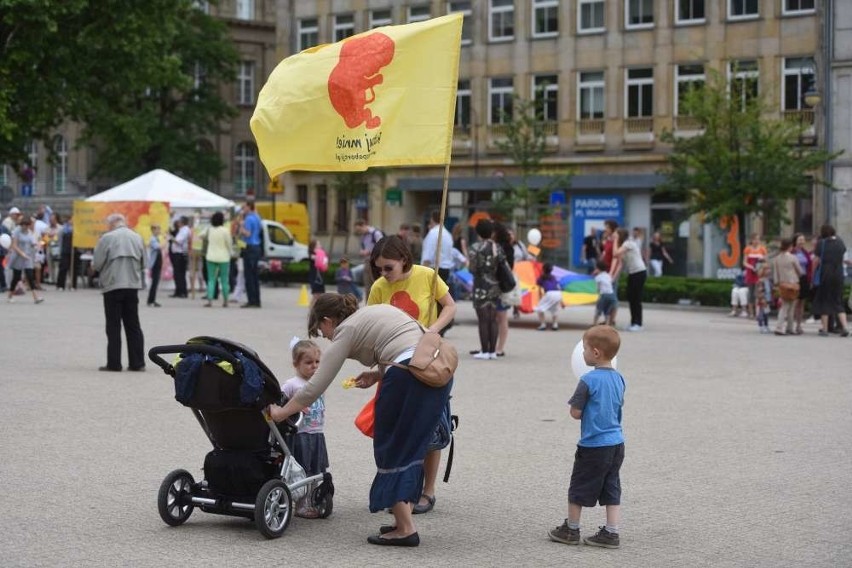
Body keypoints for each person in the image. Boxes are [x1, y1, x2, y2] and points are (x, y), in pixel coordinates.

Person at [269, 295, 452, 548]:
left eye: (322, 330)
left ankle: (406, 529)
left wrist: (280, 413)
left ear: (328, 320)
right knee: (411, 447)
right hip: (435, 370)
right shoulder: (376, 312)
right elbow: (410, 346)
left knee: (392, 447)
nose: (325, 336)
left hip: (406, 378)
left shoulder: (347, 329)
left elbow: (313, 388)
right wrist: (377, 375)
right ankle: (403, 522)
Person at [367, 234, 456, 516]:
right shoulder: (379, 287)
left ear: (404, 260)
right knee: (398, 428)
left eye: (388, 267)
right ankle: (400, 490)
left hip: (428, 359)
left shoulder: (427, 275)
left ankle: (428, 491)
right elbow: (373, 327)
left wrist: (432, 330)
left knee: (430, 427)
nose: (383, 274)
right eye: (379, 268)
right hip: (395, 365)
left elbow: (451, 306)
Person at [549, 325, 625, 549]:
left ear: (595, 353)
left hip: (593, 444)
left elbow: (576, 413)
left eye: (584, 349)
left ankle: (571, 529)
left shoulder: (588, 380)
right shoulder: (620, 379)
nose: (581, 354)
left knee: (579, 485)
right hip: (617, 443)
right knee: (612, 486)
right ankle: (611, 532)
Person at [281, 338, 329, 519]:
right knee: (302, 470)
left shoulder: (319, 382)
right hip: (300, 435)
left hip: (317, 433)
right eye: (308, 363)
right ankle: (300, 505)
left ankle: (311, 499)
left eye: (317, 362)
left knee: (315, 470)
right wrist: (295, 407)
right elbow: (281, 402)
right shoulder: (292, 384)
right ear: (296, 364)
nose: (314, 366)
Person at [92, 213, 146, 372]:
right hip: (132, 285)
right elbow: (145, 263)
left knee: (113, 325)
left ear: (111, 224)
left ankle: (114, 363)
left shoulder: (107, 238)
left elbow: (97, 263)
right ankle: (137, 363)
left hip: (113, 285)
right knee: (133, 325)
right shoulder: (137, 237)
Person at [468, 219, 503, 360]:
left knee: (483, 319)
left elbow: (472, 268)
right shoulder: (497, 247)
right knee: (493, 319)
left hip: (480, 285)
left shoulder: (475, 247)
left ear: (478, 232)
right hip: (495, 285)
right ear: (491, 232)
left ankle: (484, 351)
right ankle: (493, 351)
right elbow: (502, 265)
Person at [421, 211, 456, 334]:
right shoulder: (447, 234)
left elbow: (427, 255)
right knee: (441, 299)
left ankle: (435, 325)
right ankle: (442, 326)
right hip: (445, 268)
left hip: (435, 269)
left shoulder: (434, 233)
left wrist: (421, 272)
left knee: (433, 300)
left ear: (432, 219)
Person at [811, 224, 849, 337]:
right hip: (838, 273)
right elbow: (843, 257)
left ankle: (825, 329)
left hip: (826, 274)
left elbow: (816, 261)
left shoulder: (821, 243)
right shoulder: (840, 242)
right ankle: (845, 328)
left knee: (824, 300)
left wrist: (813, 276)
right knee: (838, 301)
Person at [613, 228, 647, 332]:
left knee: (636, 298)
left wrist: (615, 241)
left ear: (620, 235)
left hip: (639, 272)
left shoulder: (628, 243)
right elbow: (621, 263)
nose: (614, 236)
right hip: (632, 273)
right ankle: (633, 322)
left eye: (616, 235)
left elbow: (615, 254)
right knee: (631, 297)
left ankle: (638, 323)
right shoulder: (624, 246)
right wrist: (613, 278)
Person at [6, 216, 45, 304]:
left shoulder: (29, 233)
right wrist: (22, 254)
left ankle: (36, 297)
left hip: (27, 257)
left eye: (27, 225)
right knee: (16, 277)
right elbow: (14, 245)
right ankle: (10, 295)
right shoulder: (17, 231)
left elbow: (32, 242)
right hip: (18, 257)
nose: (25, 227)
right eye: (24, 225)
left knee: (30, 276)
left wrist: (36, 245)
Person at [772, 238, 803, 336]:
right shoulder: (793, 257)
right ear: (790, 246)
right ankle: (781, 327)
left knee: (785, 305)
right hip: (793, 284)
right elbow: (800, 271)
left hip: (782, 284)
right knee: (790, 306)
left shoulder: (776, 258)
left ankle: (788, 327)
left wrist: (777, 283)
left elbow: (775, 274)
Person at [493, 222, 514, 356]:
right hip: (501, 285)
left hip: (500, 285)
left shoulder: (500, 248)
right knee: (500, 317)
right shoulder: (508, 247)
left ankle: (499, 348)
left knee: (500, 317)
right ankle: (498, 347)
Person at [204, 211, 233, 308]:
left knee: (211, 280)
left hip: (211, 256)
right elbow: (229, 243)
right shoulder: (225, 230)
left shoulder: (210, 229)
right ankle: (226, 301)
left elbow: (200, 235)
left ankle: (210, 300)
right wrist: (231, 253)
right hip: (224, 257)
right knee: (224, 280)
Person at [239, 201, 263, 308]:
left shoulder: (248, 218)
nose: (243, 210)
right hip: (257, 246)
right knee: (255, 275)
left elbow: (247, 233)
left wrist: (241, 227)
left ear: (249, 207)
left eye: (244, 207)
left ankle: (251, 300)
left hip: (249, 247)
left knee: (249, 276)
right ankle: (257, 299)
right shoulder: (257, 217)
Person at [354, 218, 384, 301]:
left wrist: (369, 251)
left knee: (377, 283)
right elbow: (363, 247)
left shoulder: (376, 233)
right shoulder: (363, 237)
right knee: (367, 286)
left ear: (364, 225)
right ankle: (369, 304)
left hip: (376, 262)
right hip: (367, 262)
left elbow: (382, 247)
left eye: (359, 229)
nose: (359, 232)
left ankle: (379, 303)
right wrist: (362, 252)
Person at [791, 233, 813, 334]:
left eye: (803, 240)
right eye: (800, 240)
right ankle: (791, 324)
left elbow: (809, 265)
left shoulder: (805, 253)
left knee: (801, 303)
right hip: (794, 279)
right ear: (795, 241)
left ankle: (799, 325)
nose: (802, 242)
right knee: (794, 302)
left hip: (804, 279)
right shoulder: (791, 252)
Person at [742, 233, 767, 319]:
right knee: (751, 293)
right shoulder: (748, 249)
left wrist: (761, 263)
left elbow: (765, 261)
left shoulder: (762, 249)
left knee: (758, 293)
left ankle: (757, 312)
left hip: (759, 273)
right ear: (752, 240)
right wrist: (751, 267)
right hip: (750, 272)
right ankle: (751, 312)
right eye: (755, 239)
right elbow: (744, 262)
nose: (757, 241)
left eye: (758, 239)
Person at [534, 262, 564, 330]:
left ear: (543, 270)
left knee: (539, 308)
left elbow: (539, 287)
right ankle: (555, 325)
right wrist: (562, 301)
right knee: (555, 309)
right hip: (558, 293)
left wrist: (540, 297)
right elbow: (558, 286)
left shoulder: (541, 277)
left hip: (549, 293)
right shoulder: (553, 277)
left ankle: (543, 325)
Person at [169, 216, 190, 298]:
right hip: (178, 253)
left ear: (182, 222)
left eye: (179, 222)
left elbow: (178, 241)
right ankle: (178, 290)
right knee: (177, 273)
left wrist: (170, 237)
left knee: (180, 273)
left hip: (181, 253)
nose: (178, 223)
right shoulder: (182, 230)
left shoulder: (185, 230)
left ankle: (182, 291)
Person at [593, 260, 617, 325]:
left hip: (603, 295)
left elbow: (598, 289)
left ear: (597, 269)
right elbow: (610, 282)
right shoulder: (608, 275)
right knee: (607, 312)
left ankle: (594, 323)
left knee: (598, 310)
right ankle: (607, 325)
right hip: (611, 295)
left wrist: (597, 297)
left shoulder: (598, 277)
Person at [147, 224, 163, 307]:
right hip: (155, 264)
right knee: (154, 282)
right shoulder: (153, 239)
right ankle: (151, 301)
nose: (159, 231)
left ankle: (152, 300)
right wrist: (166, 240)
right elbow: (158, 247)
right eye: (157, 229)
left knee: (155, 283)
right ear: (153, 230)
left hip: (158, 263)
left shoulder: (156, 239)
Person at [755, 260, 771, 334]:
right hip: (762, 300)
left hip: (767, 299)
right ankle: (761, 326)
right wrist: (762, 299)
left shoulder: (768, 280)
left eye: (769, 269)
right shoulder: (761, 281)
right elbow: (760, 291)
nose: (769, 271)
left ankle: (766, 325)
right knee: (762, 313)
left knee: (766, 313)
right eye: (766, 269)